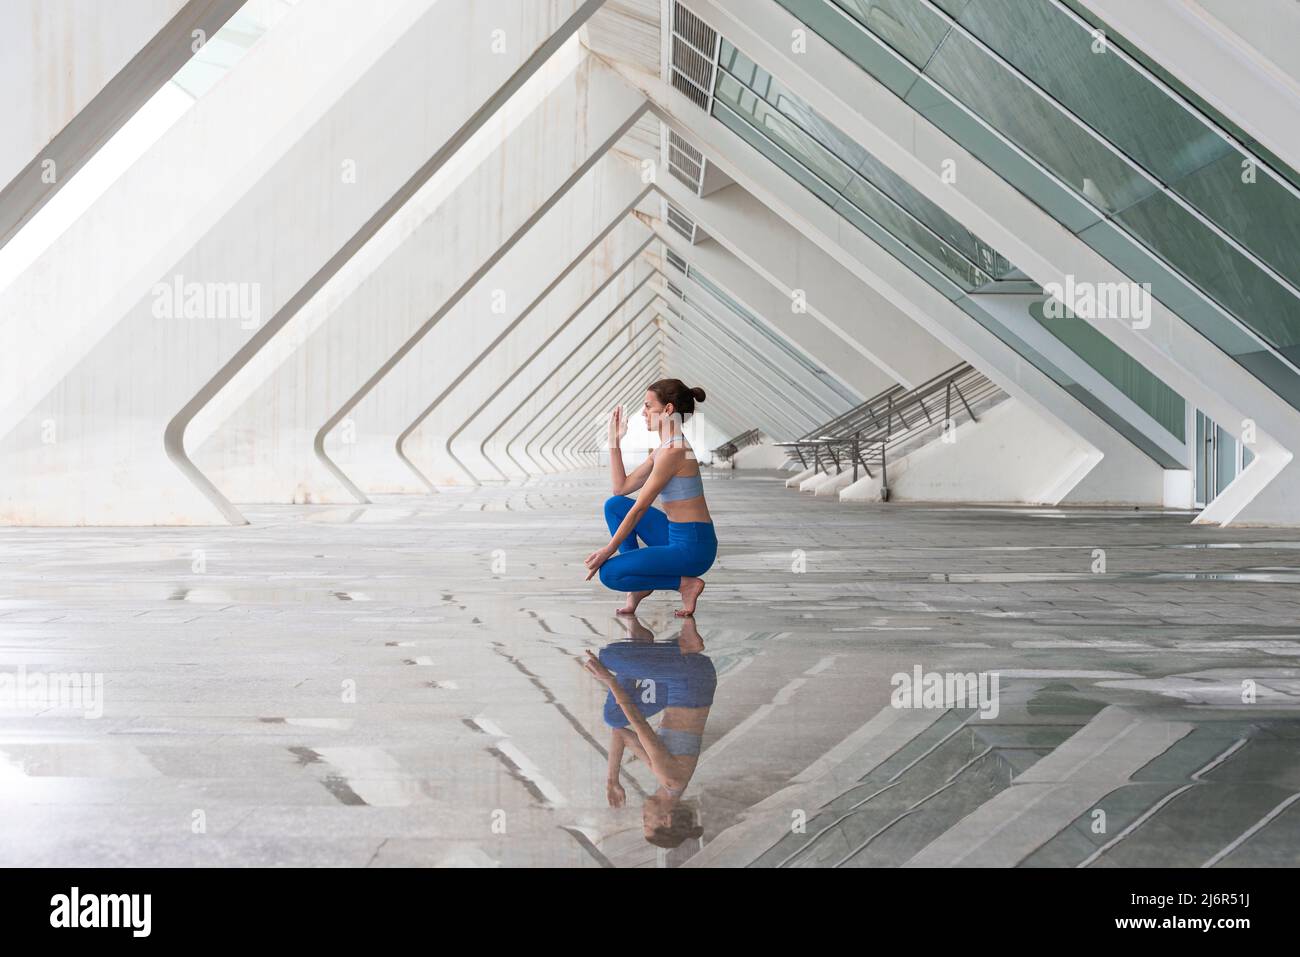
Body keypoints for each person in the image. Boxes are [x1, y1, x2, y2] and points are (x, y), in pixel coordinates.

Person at [583, 379, 716, 617]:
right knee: (615, 506)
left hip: (693, 547)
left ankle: (684, 584)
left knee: (610, 574)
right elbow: (621, 488)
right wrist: (614, 442)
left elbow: (640, 508)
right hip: (675, 534)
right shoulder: (664, 448)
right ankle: (640, 586)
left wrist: (608, 550)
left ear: (667, 410)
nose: (643, 413)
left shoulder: (674, 452)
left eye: (648, 406)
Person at [579, 617, 713, 849]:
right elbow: (639, 724)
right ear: (665, 819)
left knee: (613, 717)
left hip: (683, 686)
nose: (642, 813)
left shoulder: (670, 782)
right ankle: (682, 647)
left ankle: (646, 645)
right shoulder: (671, 777)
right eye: (645, 821)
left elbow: (620, 732)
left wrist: (612, 780)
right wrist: (608, 680)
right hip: (690, 678)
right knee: (609, 657)